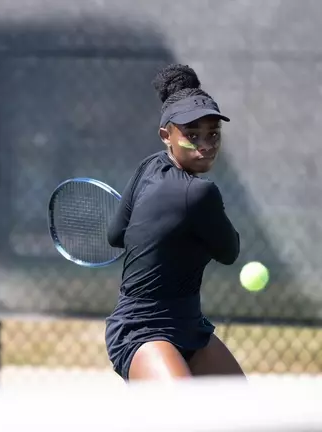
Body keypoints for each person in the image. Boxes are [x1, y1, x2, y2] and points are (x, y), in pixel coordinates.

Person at [105, 64, 244, 382]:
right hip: (142, 330)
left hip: (189, 325)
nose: (205, 145)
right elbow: (229, 251)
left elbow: (116, 235)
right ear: (166, 135)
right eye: (192, 135)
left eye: (213, 134)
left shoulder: (148, 166)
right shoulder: (200, 193)